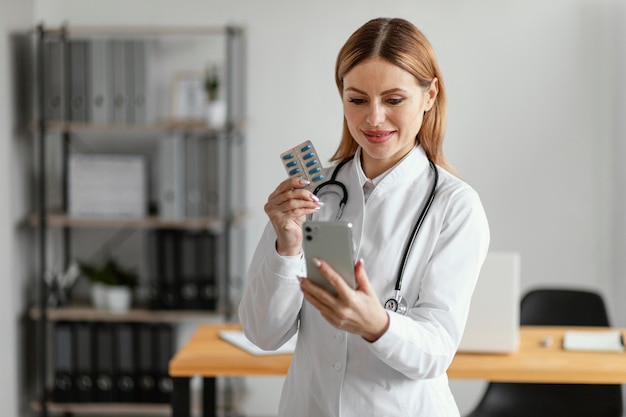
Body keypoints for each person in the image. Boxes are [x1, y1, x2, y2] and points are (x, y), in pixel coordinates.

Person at [239, 17, 490, 417]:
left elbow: (437, 352)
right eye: (357, 100)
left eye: (393, 100)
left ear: (429, 96)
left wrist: (379, 325)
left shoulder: (455, 206)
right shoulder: (313, 193)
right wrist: (286, 247)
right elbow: (262, 333)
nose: (373, 119)